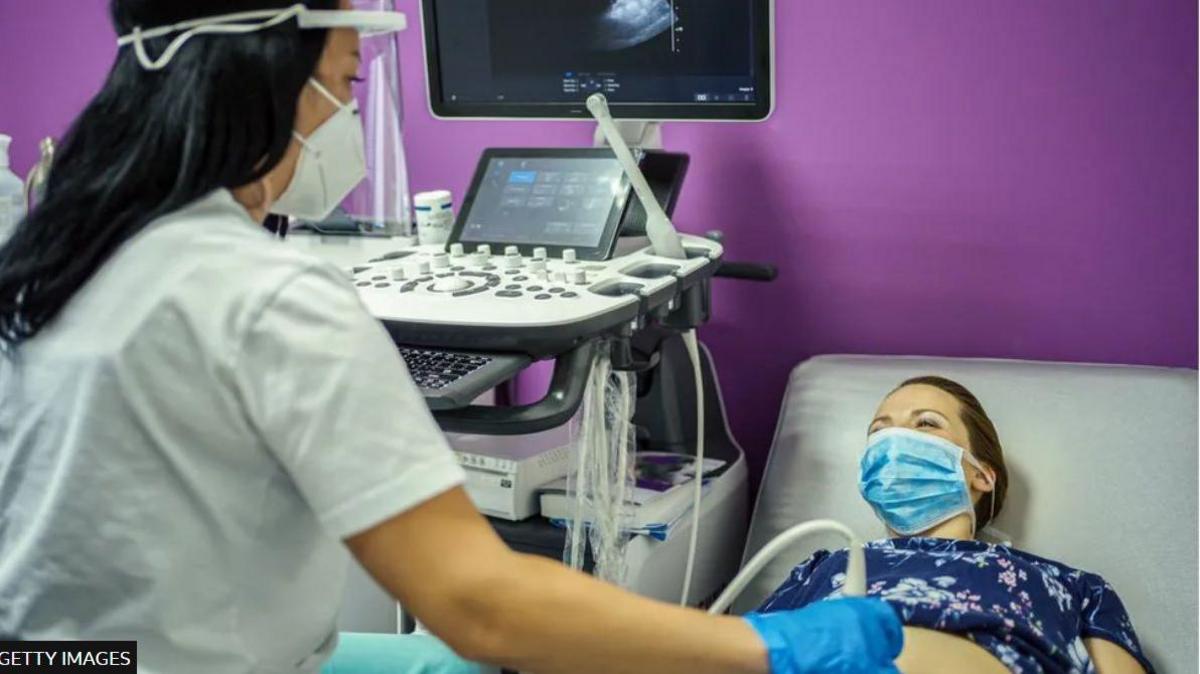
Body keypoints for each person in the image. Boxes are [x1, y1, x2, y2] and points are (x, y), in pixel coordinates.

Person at [0, 2, 903, 673]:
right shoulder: (269, 298)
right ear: (272, 81)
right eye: (348, 83)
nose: (349, 118)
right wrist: (759, 645)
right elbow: (483, 604)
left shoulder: (51, 261)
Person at [756, 376, 1154, 673]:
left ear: (982, 476)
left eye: (926, 424)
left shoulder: (1071, 586)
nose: (894, 439)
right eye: (879, 432)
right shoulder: (822, 566)